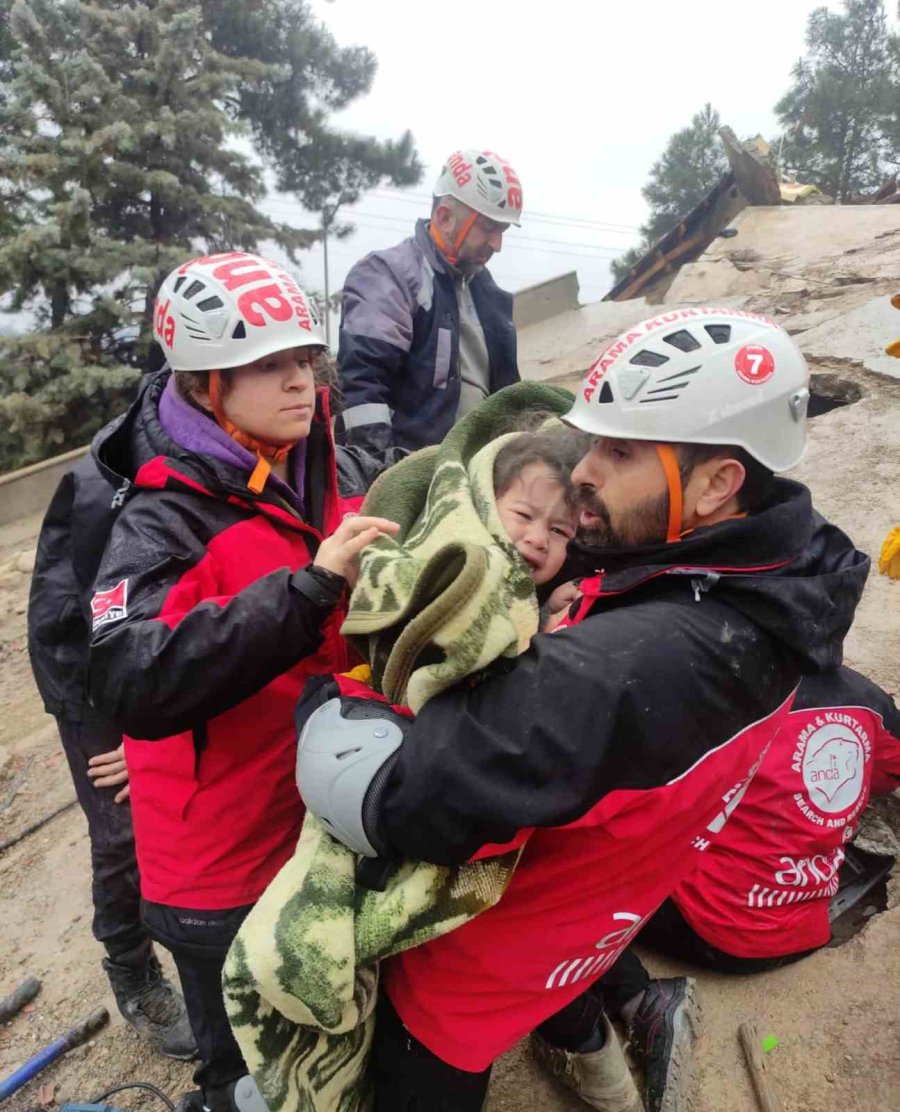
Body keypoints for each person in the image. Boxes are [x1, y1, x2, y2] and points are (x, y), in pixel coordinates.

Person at [295, 308, 869, 1112]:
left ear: (716, 482)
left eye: (620, 450)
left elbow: (402, 795)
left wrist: (326, 698)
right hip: (585, 926)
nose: (585, 471)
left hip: (475, 975)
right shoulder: (781, 583)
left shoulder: (632, 665)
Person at [86, 251, 399, 1112]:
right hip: (219, 850)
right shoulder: (161, 515)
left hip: (323, 807)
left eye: (306, 359)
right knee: (243, 1070)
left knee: (327, 1019)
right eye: (270, 366)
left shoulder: (331, 458)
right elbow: (127, 673)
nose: (302, 382)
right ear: (203, 384)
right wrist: (306, 595)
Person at [27, 458, 196, 1060]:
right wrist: (147, 734)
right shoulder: (111, 483)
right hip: (89, 664)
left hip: (171, 652)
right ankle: (133, 973)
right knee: (124, 827)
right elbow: (107, 621)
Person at [336, 149, 522, 456]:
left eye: (502, 231)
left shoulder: (487, 291)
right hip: (413, 478)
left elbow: (509, 396)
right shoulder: (389, 276)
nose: (497, 245)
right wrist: (381, 478)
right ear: (444, 217)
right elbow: (362, 389)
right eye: (488, 227)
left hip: (477, 473)